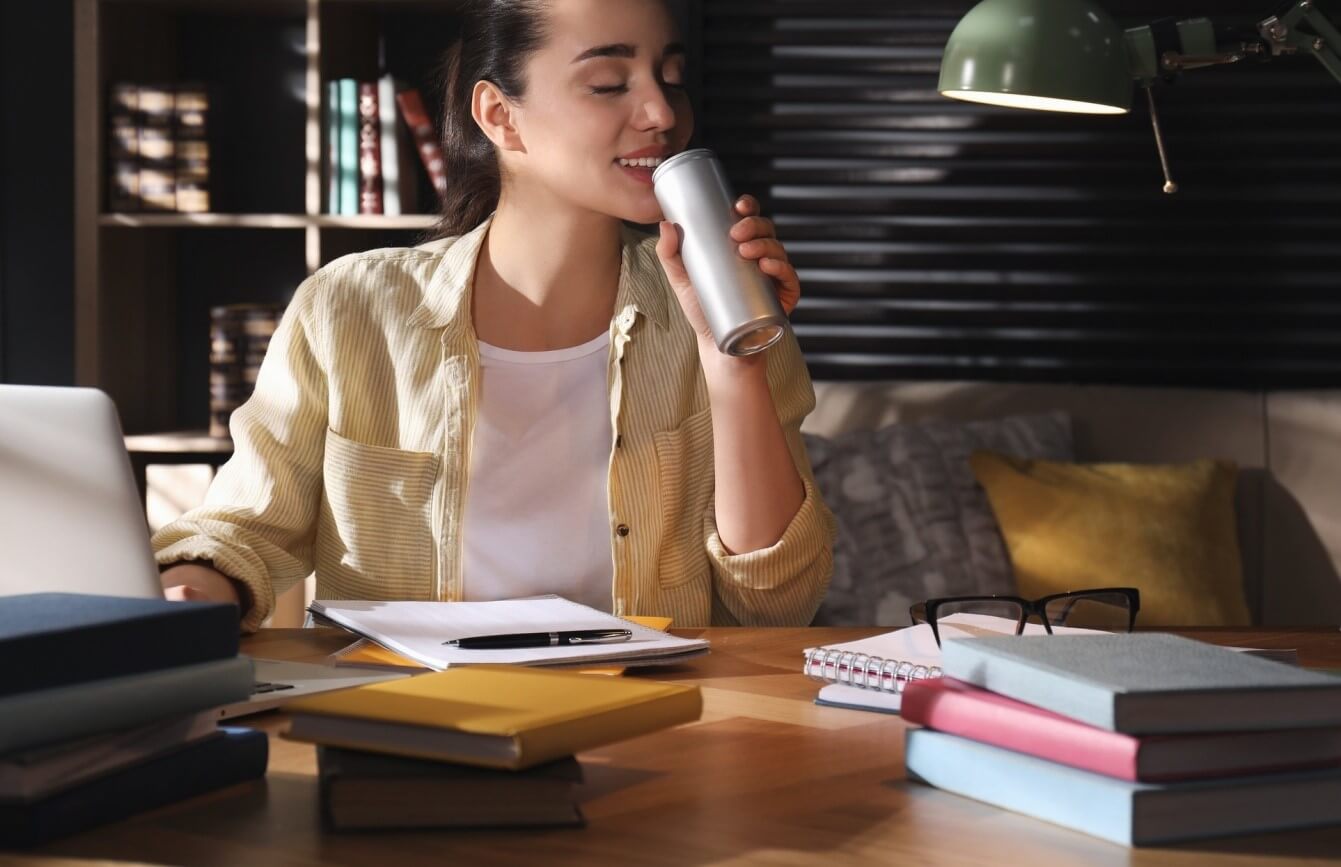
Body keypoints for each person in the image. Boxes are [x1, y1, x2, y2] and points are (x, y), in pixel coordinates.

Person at [154, 0, 835, 631]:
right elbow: (245, 529)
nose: (660, 112)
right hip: (413, 721)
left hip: (649, 729)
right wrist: (187, 593)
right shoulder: (351, 307)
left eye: (672, 78)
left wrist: (731, 364)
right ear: (499, 115)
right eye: (608, 83)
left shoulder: (723, 310)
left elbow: (774, 601)